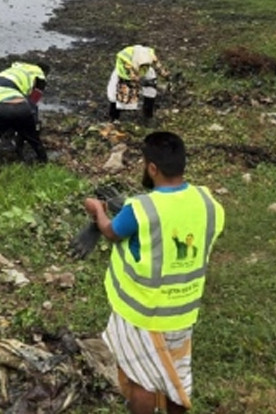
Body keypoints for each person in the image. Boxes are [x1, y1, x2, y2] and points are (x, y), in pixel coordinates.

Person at [82, 132, 225, 414]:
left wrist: (98, 211)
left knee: (141, 380)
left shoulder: (141, 207)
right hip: (184, 310)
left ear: (152, 168)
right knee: (176, 375)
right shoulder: (207, 202)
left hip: (143, 313)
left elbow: (112, 232)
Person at [0, 84, 48, 164]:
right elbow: (33, 106)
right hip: (24, 108)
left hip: (4, 110)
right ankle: (43, 160)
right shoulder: (13, 90)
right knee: (33, 139)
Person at [107, 45, 168, 122]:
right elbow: (131, 73)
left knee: (151, 90)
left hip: (144, 71)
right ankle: (114, 117)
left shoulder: (148, 54)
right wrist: (134, 77)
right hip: (124, 74)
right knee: (114, 95)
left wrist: (162, 71)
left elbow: (156, 62)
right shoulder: (126, 59)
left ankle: (148, 115)